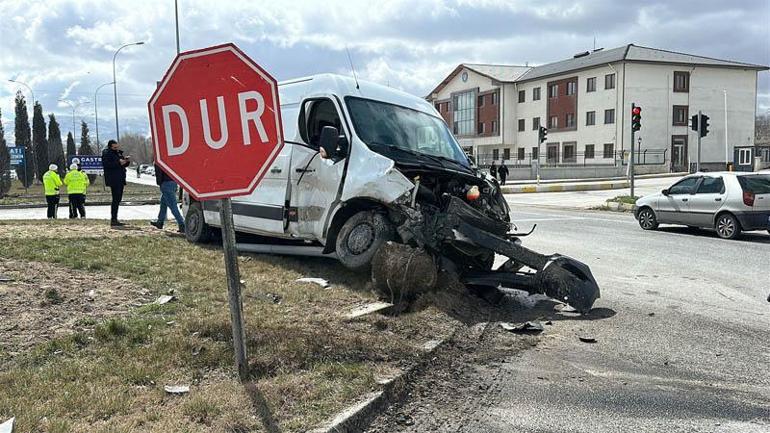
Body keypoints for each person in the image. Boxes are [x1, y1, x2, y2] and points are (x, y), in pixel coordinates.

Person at [149, 164, 186, 233]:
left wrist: (160, 183)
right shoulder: (168, 159)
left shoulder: (159, 160)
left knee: (173, 206)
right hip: (173, 182)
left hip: (166, 183)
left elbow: (159, 173)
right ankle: (160, 222)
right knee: (163, 203)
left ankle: (182, 224)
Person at [102, 139, 130, 227]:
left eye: (117, 147)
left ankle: (115, 219)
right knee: (115, 199)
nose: (116, 148)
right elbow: (107, 165)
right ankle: (113, 219)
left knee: (118, 199)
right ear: (110, 147)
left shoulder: (118, 153)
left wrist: (126, 161)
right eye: (114, 147)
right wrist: (118, 162)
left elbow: (122, 164)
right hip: (113, 179)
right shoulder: (107, 153)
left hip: (120, 178)